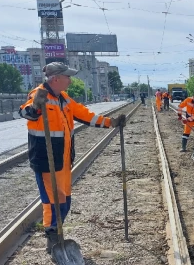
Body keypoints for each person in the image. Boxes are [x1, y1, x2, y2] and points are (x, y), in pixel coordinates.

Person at [18, 62, 125, 252]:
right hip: (46, 160)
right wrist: (35, 107)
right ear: (56, 78)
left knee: (65, 201)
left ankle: (57, 233)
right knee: (52, 202)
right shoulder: (38, 94)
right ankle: (52, 236)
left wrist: (111, 122)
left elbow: (86, 115)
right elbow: (25, 112)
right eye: (67, 77)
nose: (70, 80)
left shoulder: (64, 99)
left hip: (64, 160)